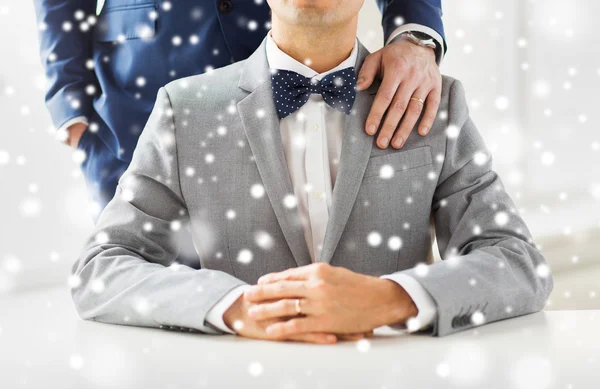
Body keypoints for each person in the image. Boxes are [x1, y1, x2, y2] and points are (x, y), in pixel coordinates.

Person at [70, 0, 553, 344]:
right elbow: (100, 270)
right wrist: (237, 308)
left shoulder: (433, 103)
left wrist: (392, 299)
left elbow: (519, 263)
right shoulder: (185, 109)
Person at [33, 0, 446, 220]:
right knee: (149, 302)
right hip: (132, 104)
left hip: (285, 70)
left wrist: (415, 32)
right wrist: (70, 108)